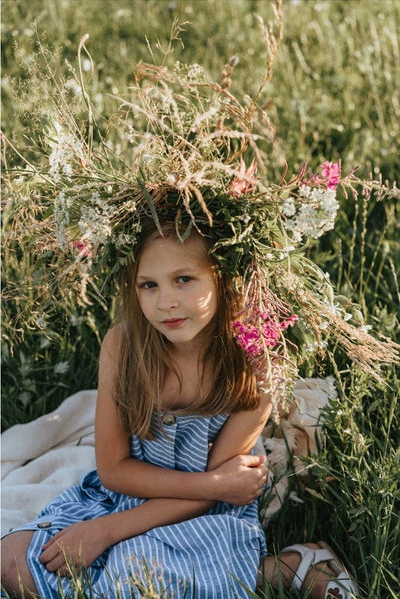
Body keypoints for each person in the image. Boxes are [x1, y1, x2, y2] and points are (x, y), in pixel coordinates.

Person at [1, 217, 358, 599]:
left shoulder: (256, 360)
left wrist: (105, 532)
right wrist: (102, 526)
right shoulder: (123, 347)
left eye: (184, 279)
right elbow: (114, 470)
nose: (166, 301)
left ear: (223, 277)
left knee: (140, 583)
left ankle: (287, 568)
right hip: (137, 492)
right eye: (149, 285)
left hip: (204, 510)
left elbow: (217, 495)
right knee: (10, 562)